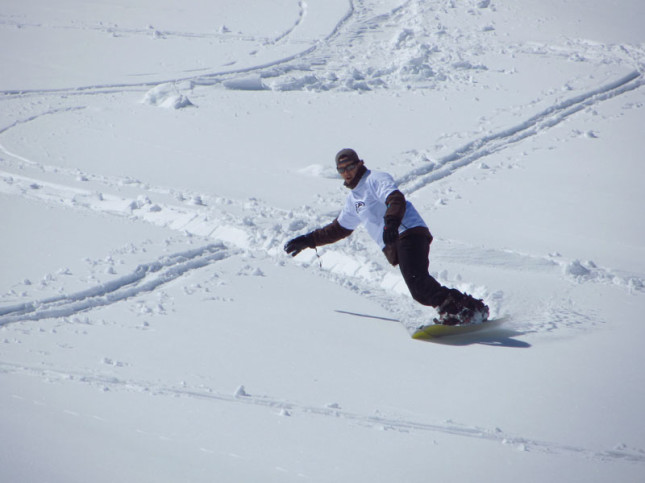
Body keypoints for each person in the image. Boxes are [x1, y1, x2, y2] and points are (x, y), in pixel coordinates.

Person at [284, 148, 488, 325]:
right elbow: (339, 229)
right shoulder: (354, 199)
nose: (347, 172)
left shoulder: (375, 179)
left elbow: (395, 198)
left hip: (408, 232)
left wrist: (391, 221)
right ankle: (465, 309)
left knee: (418, 284)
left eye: (350, 166)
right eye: (342, 170)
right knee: (419, 285)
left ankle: (461, 311)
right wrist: (308, 240)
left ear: (359, 163)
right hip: (397, 240)